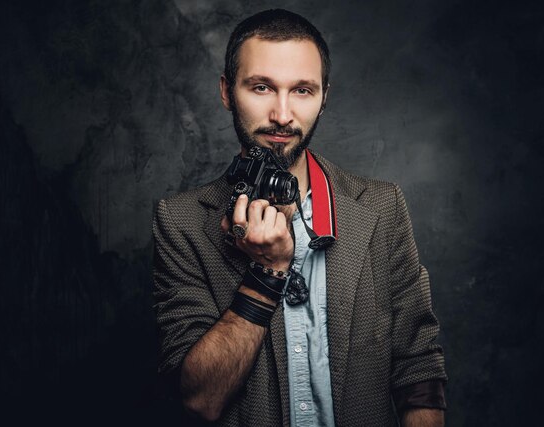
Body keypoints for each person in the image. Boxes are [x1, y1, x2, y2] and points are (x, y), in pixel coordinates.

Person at [152, 9, 447, 427]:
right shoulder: (179, 222)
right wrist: (266, 273)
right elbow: (202, 399)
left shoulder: (382, 207)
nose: (282, 115)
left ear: (324, 96)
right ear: (226, 91)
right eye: (261, 87)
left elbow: (418, 367)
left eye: (303, 91)